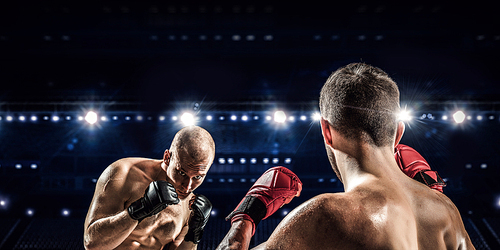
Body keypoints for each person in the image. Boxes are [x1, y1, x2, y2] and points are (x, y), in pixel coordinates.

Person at [217, 63, 475, 249]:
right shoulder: (447, 211)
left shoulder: (324, 216)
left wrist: (244, 221)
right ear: (398, 133)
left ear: (326, 131)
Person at [84, 125, 215, 250]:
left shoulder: (191, 206)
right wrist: (141, 208)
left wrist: (194, 233)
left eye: (197, 177)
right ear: (167, 157)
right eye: (181, 173)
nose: (187, 187)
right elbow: (92, 243)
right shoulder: (123, 173)